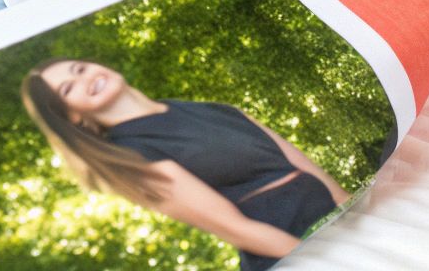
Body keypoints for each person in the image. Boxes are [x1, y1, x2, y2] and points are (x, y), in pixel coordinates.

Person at [23, 58, 350, 271]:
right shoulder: (130, 157)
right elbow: (238, 230)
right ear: (72, 116)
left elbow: (304, 166)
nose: (85, 79)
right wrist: (331, 262)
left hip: (341, 231)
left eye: (80, 69)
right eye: (68, 88)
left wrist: (356, 214)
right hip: (299, 255)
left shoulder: (214, 108)